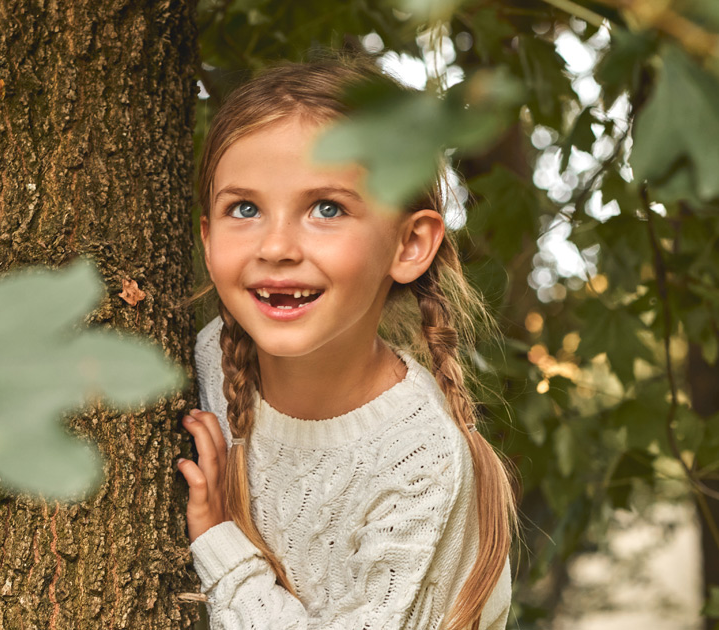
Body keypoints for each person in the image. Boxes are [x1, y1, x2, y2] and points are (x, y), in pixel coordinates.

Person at [174, 56, 517, 630]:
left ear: (410, 244)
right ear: (207, 239)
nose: (276, 247)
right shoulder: (203, 359)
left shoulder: (420, 460)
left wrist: (221, 544)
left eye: (326, 208)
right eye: (245, 209)